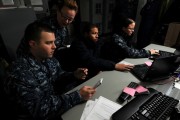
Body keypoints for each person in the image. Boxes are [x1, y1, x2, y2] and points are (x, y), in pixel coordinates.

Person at [3, 21, 96, 120]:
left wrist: (73, 75)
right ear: (33, 44)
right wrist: (77, 96)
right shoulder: (19, 73)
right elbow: (39, 109)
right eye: (48, 43)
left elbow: (58, 76)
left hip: (56, 107)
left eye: (54, 42)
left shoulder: (49, 59)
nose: (54, 46)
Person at [70, 23, 134, 79]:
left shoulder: (95, 42)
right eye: (94, 33)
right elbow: (89, 60)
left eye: (97, 33)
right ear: (86, 34)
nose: (97, 36)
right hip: (80, 77)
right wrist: (114, 66)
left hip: (94, 73)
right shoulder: (78, 44)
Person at [39, 0, 79, 70]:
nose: (66, 21)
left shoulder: (64, 28)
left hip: (54, 59)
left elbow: (62, 45)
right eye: (64, 16)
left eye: (70, 19)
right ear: (58, 11)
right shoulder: (43, 26)